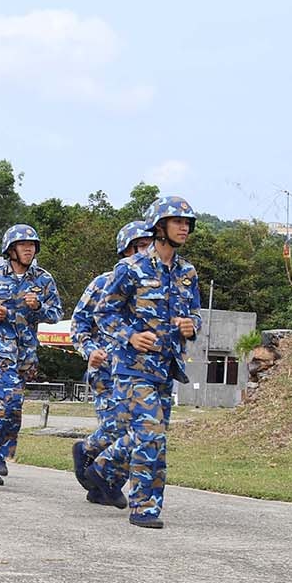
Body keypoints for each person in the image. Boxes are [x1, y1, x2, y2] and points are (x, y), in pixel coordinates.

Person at [85, 198, 203, 529]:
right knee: (150, 433)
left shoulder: (187, 273)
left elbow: (195, 314)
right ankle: (144, 507)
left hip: (166, 368)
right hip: (131, 368)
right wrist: (130, 336)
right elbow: (104, 313)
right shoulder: (131, 268)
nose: (184, 228)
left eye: (187, 223)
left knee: (154, 435)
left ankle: (104, 466)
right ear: (158, 226)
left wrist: (192, 325)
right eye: (177, 221)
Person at [0, 223, 62, 486]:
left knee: (12, 407)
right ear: (11, 250)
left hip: (25, 352)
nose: (28, 249)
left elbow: (56, 313)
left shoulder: (43, 279)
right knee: (10, 398)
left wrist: (39, 306)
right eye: (23, 245)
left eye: (32, 245)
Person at [70, 219, 153, 506]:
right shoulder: (104, 283)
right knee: (117, 426)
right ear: (126, 250)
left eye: (150, 245)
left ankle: (101, 483)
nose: (146, 251)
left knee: (140, 430)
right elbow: (79, 324)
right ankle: (89, 454)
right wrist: (90, 350)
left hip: (142, 370)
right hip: (106, 369)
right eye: (140, 246)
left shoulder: (158, 284)